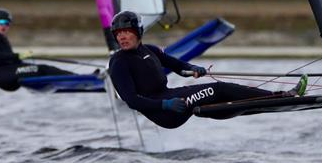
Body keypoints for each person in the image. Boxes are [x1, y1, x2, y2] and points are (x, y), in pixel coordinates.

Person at [107, 10, 308, 129]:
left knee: (218, 99)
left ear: (138, 32)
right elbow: (131, 100)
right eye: (119, 34)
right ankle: (281, 96)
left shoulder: (149, 50)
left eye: (127, 32)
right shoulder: (118, 62)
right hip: (164, 111)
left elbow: (177, 66)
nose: (122, 37)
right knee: (218, 89)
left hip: (171, 95)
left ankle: (270, 102)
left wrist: (192, 68)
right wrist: (165, 106)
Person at [0, 8, 77, 92]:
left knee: (40, 68)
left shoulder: (1, 39)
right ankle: (75, 79)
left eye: (7, 23)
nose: (4, 26)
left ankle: (72, 79)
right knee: (41, 69)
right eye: (0, 22)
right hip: (0, 75)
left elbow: (12, 60)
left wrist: (22, 60)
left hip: (8, 73)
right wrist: (20, 55)